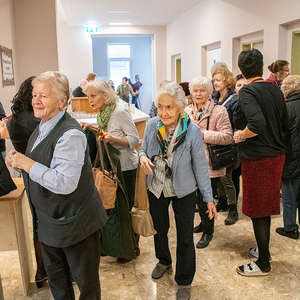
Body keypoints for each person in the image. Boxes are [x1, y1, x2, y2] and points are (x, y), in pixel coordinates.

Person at [5, 71, 108, 299]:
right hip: (50, 225)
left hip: (75, 225)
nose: (36, 100)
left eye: (44, 95)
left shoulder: (70, 134)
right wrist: (17, 162)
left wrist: (27, 163)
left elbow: (65, 182)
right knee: (59, 286)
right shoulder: (42, 126)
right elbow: (41, 167)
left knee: (87, 287)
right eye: (34, 95)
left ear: (62, 101)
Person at [139, 81, 217, 300]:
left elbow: (201, 168)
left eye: (169, 107)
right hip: (156, 186)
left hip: (184, 189)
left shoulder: (192, 131)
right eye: (160, 106)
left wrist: (209, 199)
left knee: (184, 236)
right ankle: (164, 260)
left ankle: (184, 279)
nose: (163, 112)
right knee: (159, 228)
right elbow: (142, 150)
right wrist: (142, 157)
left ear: (181, 107)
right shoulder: (152, 124)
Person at [233, 49, 288, 276]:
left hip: (259, 158)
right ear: (263, 67)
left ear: (242, 70)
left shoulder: (248, 91)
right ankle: (263, 250)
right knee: (264, 208)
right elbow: (284, 125)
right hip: (276, 156)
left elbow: (256, 123)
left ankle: (263, 263)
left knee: (258, 210)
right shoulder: (274, 89)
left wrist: (240, 135)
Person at [81, 79, 139, 263]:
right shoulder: (102, 113)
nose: (89, 100)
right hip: (111, 166)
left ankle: (132, 246)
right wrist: (93, 128)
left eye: (93, 95)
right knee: (113, 207)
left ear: (105, 96)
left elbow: (134, 139)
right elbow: (105, 131)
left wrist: (112, 138)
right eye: (87, 96)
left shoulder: (120, 112)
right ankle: (117, 245)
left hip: (126, 166)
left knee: (126, 206)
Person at [0, 76, 45, 287]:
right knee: (51, 223)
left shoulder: (14, 121)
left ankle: (40, 272)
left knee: (38, 223)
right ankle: (56, 270)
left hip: (28, 177)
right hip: (43, 173)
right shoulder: (39, 120)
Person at [185, 77, 232, 248]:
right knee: (197, 200)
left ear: (209, 92)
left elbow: (228, 137)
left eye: (202, 90)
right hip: (190, 164)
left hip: (209, 165)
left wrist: (203, 134)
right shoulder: (187, 110)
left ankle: (208, 232)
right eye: (195, 90)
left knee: (207, 199)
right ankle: (203, 224)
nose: (198, 94)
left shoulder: (219, 111)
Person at [211, 66, 239, 225]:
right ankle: (221, 201)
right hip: (215, 142)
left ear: (227, 81)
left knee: (227, 177)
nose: (215, 83)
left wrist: (233, 141)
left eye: (218, 80)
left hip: (228, 144)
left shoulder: (234, 100)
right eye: (214, 80)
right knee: (218, 175)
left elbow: (236, 124)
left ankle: (233, 208)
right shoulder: (214, 98)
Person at [276, 75, 300, 240]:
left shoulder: (285, 107)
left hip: (291, 157)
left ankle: (290, 228)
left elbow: (281, 135)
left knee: (290, 195)